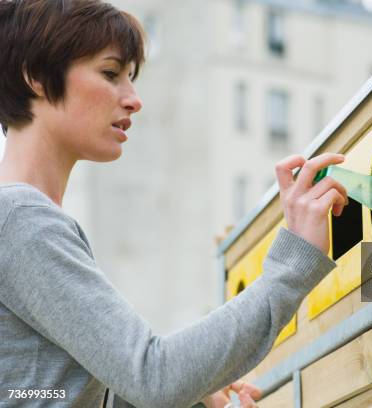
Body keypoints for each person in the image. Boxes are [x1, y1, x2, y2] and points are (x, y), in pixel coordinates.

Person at [0, 1, 348, 407]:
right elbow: (154, 376)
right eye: (110, 73)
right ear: (37, 77)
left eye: (131, 78)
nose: (133, 99)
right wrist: (295, 263)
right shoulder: (23, 221)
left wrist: (195, 393)